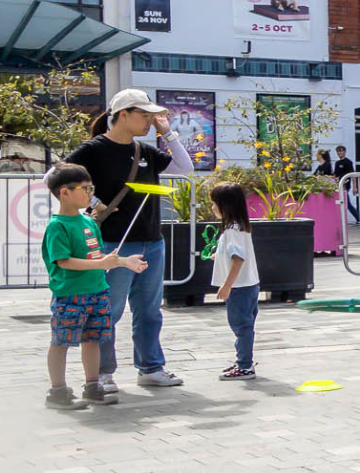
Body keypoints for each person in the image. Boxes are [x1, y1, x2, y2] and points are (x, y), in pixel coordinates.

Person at [65, 89, 194, 391]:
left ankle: (150, 367)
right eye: (144, 115)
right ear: (123, 115)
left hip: (151, 241)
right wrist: (93, 201)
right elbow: (55, 177)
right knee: (108, 309)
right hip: (112, 244)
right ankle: (102, 373)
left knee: (149, 310)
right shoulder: (94, 149)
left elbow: (185, 167)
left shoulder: (145, 151)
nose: (150, 121)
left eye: (152, 115)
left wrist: (167, 133)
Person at [39, 164, 144, 409]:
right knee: (61, 342)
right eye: (85, 189)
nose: (90, 194)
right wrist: (101, 263)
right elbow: (64, 261)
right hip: (70, 295)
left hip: (97, 291)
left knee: (93, 339)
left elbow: (97, 257)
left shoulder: (88, 222)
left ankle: (92, 386)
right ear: (64, 192)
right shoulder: (57, 226)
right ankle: (57, 391)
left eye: (91, 188)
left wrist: (123, 261)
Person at [209, 182, 261, 381]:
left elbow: (239, 259)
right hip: (249, 284)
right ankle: (243, 362)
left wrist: (227, 285)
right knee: (245, 326)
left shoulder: (232, 230)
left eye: (214, 203)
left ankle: (245, 366)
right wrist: (219, 255)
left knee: (241, 327)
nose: (212, 207)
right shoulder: (240, 227)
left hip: (239, 287)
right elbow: (235, 253)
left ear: (225, 206)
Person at [333, 145, 358, 223]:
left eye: (341, 151)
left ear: (344, 151)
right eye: (338, 151)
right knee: (342, 203)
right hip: (338, 186)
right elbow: (335, 175)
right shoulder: (337, 163)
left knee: (347, 204)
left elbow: (352, 175)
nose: (339, 153)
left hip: (345, 186)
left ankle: (359, 219)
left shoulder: (348, 162)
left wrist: (354, 187)